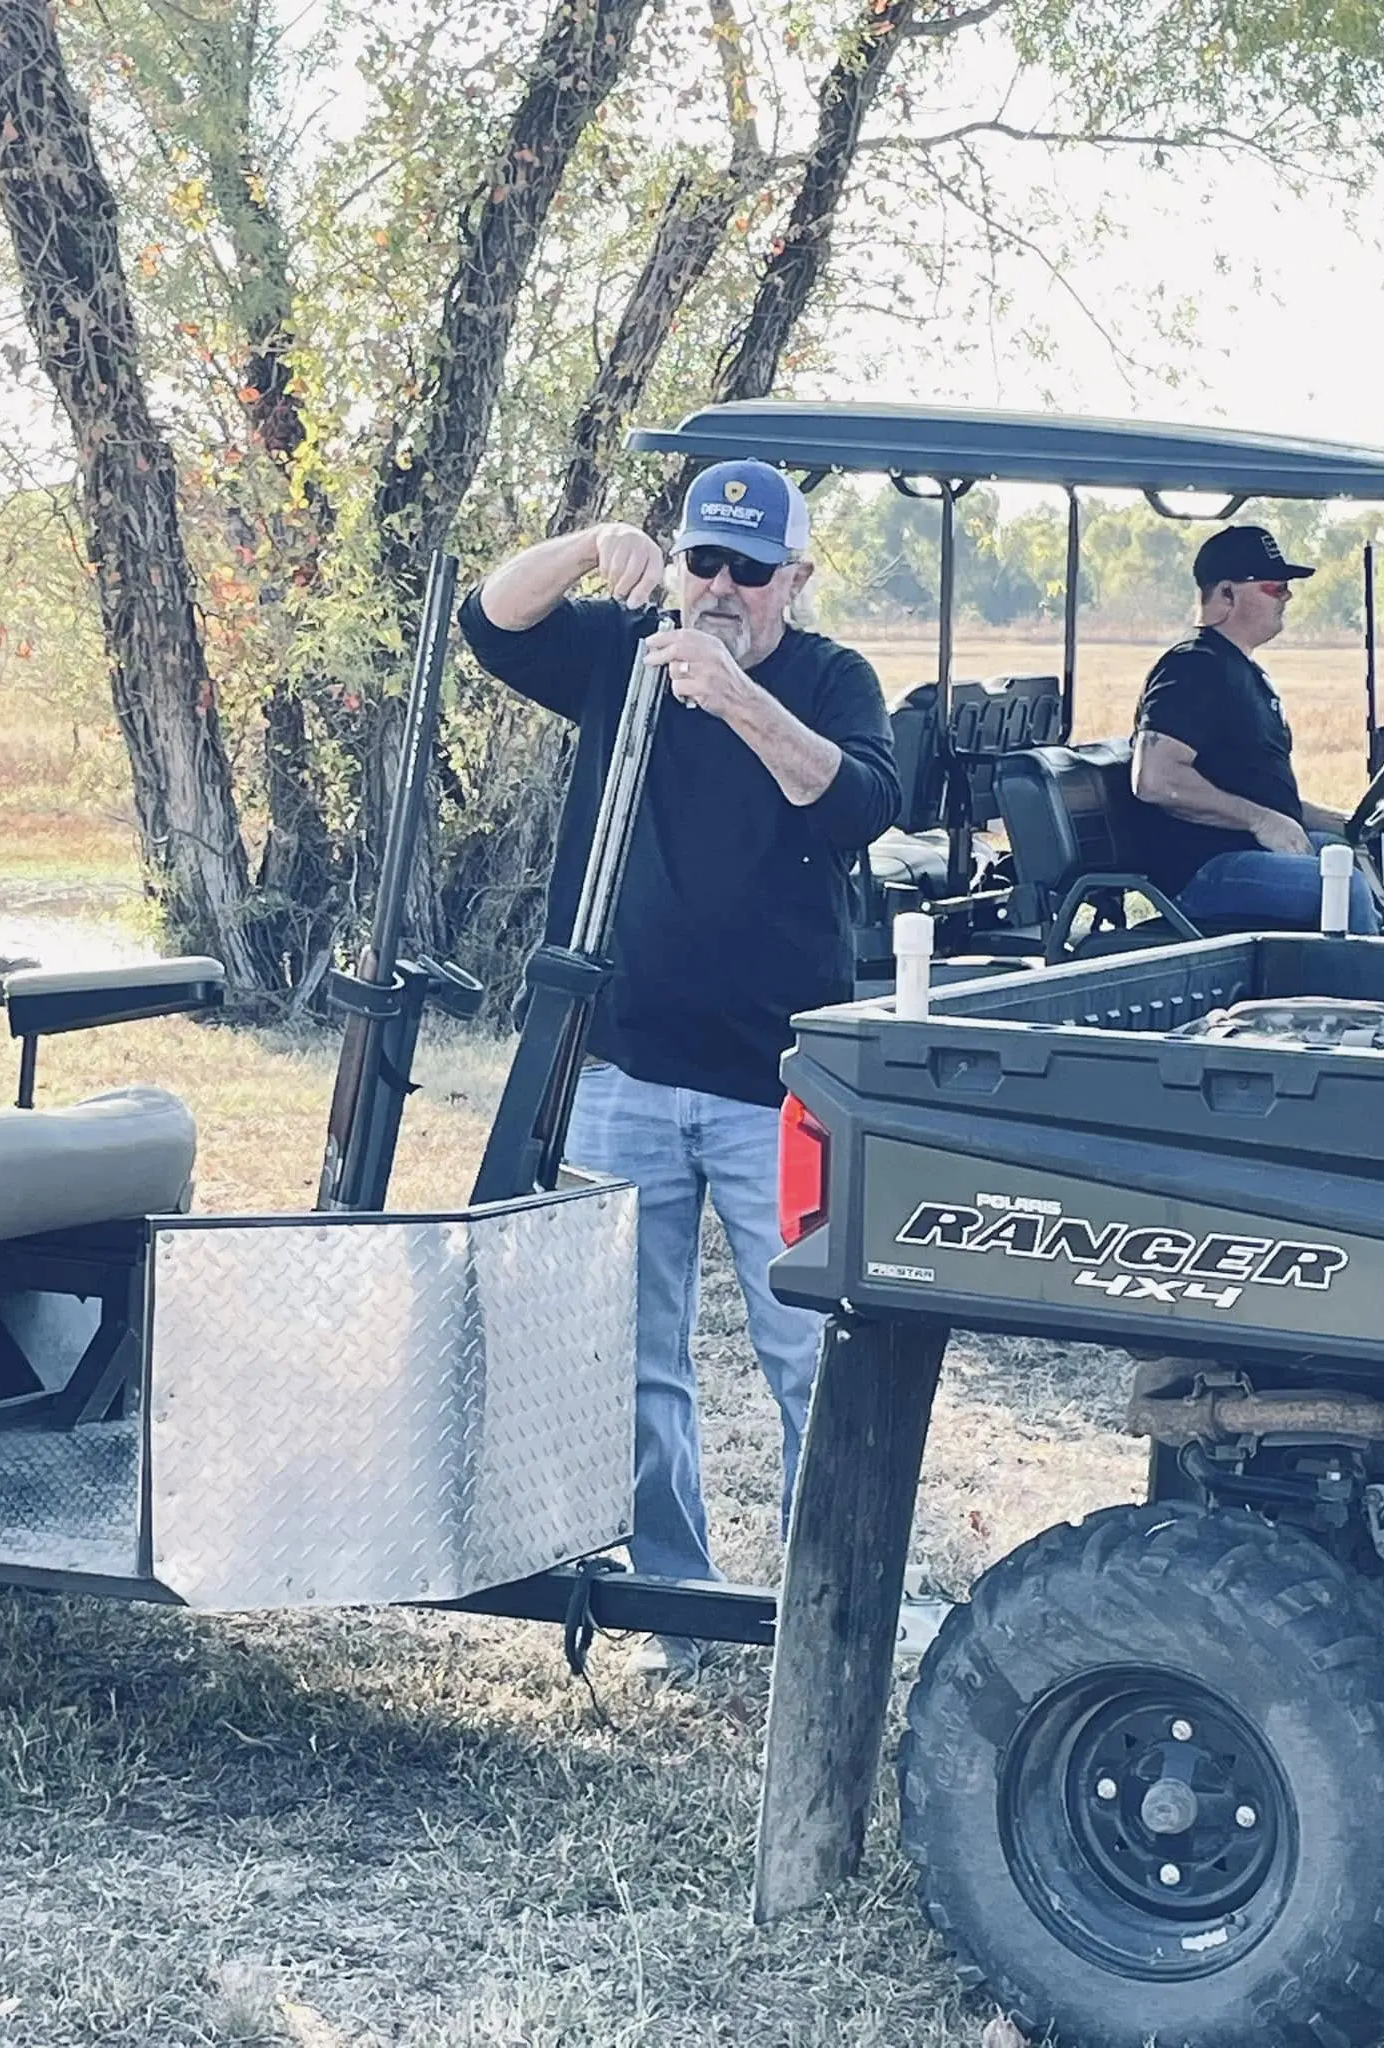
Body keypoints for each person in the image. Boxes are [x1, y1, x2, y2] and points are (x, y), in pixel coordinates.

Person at [458, 459, 900, 1682]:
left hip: (780, 1082)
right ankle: (678, 1602)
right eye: (706, 560)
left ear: (794, 581)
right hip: (626, 1070)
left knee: (808, 1345)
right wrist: (593, 537)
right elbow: (492, 620)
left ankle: (834, 1609)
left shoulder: (830, 680)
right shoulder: (625, 648)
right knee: (639, 1353)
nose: (720, 589)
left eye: (751, 571)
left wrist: (739, 703)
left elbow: (857, 800)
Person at [1131, 525, 1384, 938]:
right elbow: (1155, 779)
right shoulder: (1192, 667)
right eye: (1275, 588)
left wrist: (1351, 823)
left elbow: (1270, 798)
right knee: (1343, 887)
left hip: (1260, 853)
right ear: (1226, 594)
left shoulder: (1244, 672)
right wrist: (1259, 821)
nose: (1288, 597)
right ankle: (1366, 999)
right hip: (1207, 869)